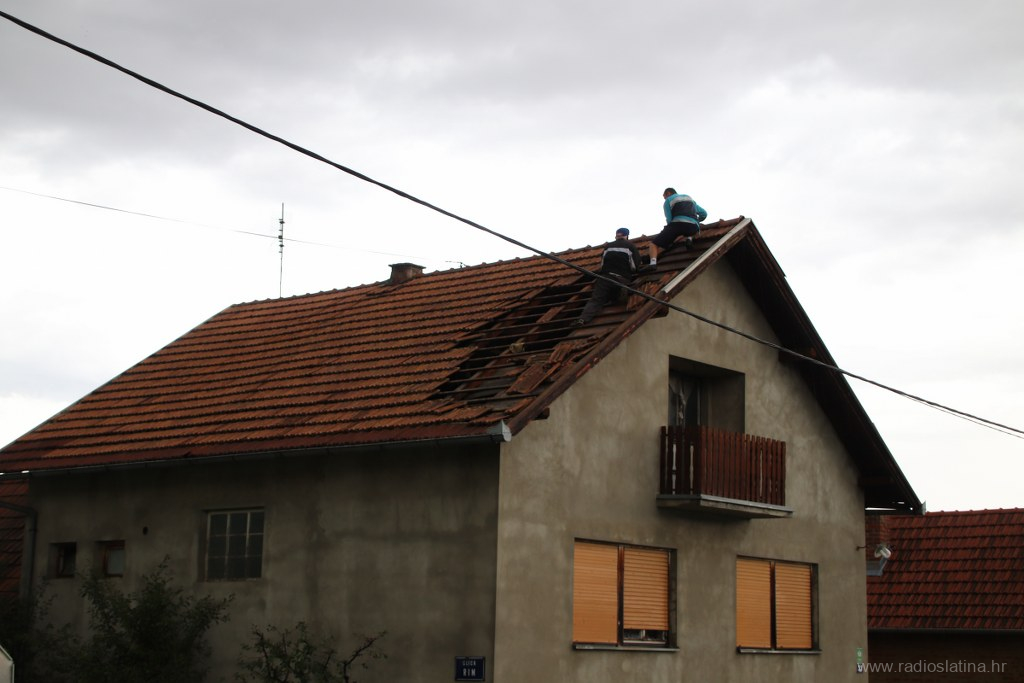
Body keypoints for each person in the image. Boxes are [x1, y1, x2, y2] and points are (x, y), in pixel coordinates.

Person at [574, 227, 643, 326]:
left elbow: (602, 264)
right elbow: (634, 266)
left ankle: (583, 319)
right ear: (627, 236)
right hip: (622, 279)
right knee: (619, 296)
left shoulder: (608, 247)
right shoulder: (630, 246)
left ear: (616, 235)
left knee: (596, 299)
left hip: (605, 277)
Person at [648, 187, 707, 266]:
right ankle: (689, 239)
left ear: (668, 193)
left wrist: (670, 234)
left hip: (677, 224)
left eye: (664, 196)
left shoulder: (668, 200)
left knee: (654, 244)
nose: (664, 198)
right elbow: (704, 213)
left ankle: (652, 263)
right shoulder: (689, 198)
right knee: (690, 228)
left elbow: (669, 219)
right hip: (693, 226)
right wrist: (696, 221)